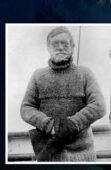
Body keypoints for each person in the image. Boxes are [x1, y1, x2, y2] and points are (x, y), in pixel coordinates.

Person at [20, 26, 106, 162]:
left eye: (65, 44)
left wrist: (73, 124)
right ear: (48, 48)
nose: (60, 48)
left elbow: (99, 105)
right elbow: (26, 108)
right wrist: (48, 124)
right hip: (48, 153)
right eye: (55, 44)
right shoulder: (38, 76)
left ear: (72, 47)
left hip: (82, 154)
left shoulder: (85, 73)